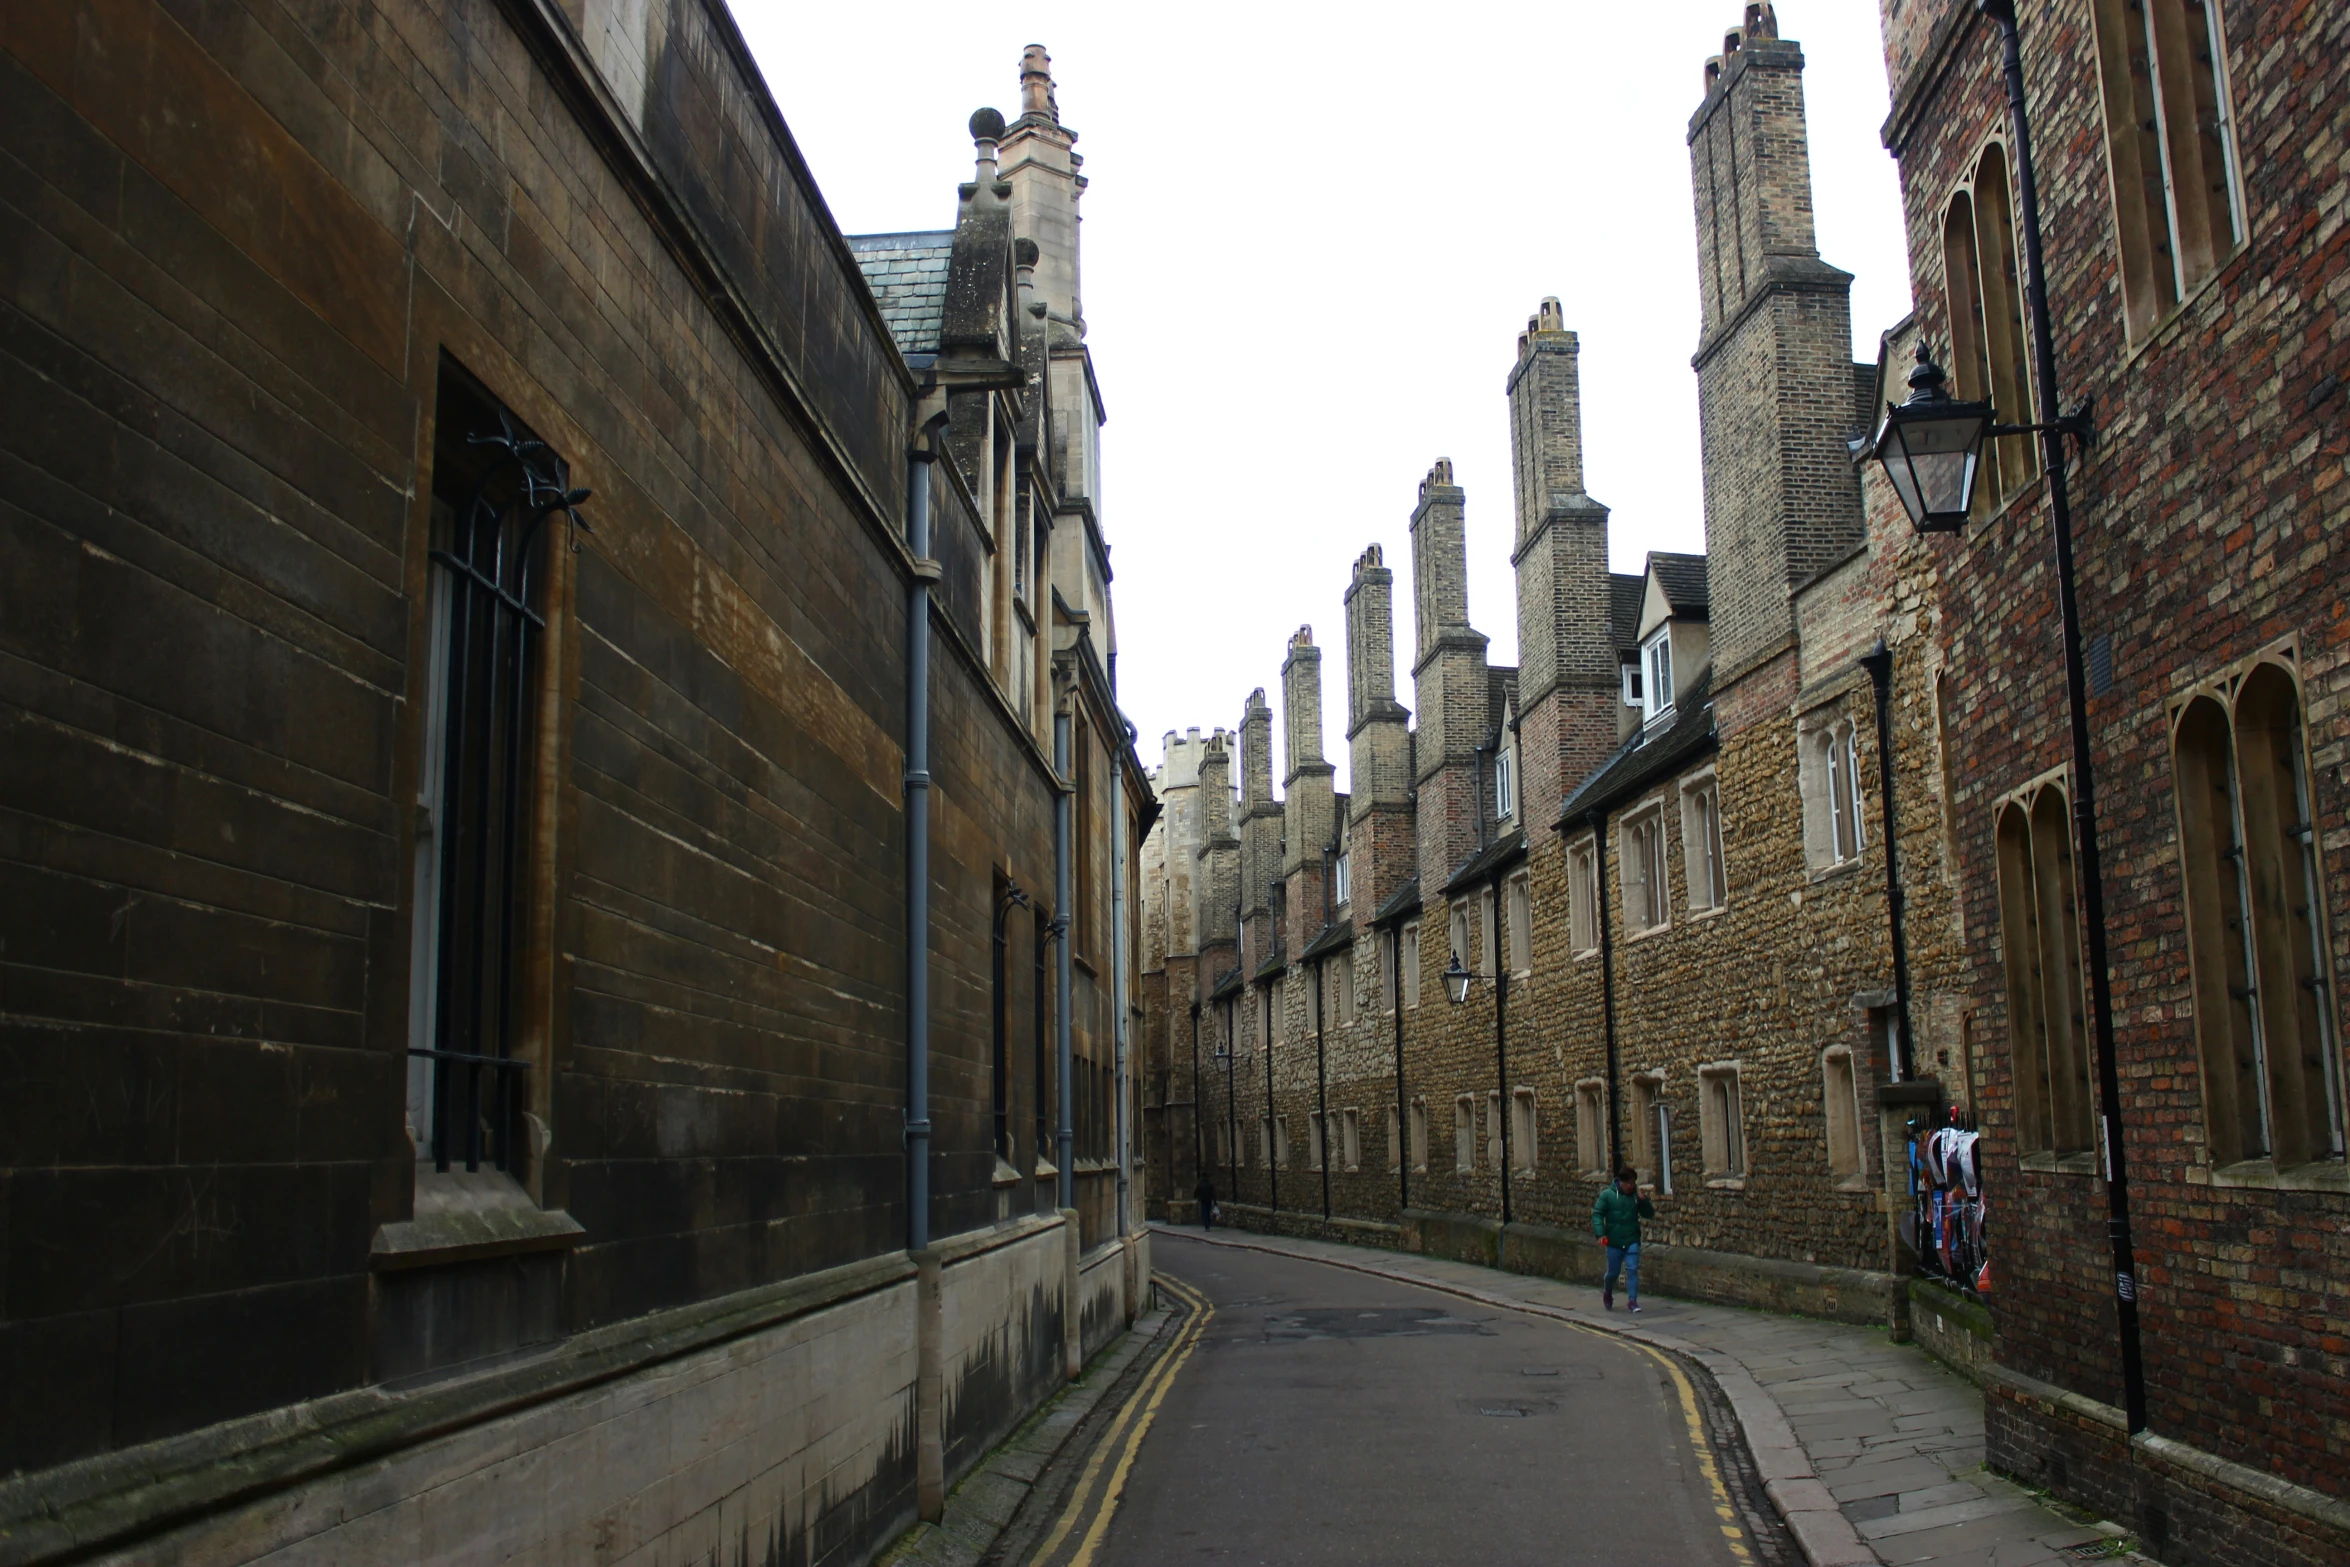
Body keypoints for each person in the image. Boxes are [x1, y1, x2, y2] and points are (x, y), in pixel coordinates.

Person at [1591, 1166, 1655, 1312]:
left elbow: (1648, 1214)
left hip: (1632, 1239)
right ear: (1620, 1182)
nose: (1630, 1187)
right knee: (1612, 1273)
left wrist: (1644, 1202)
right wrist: (1600, 1234)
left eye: (1633, 1183)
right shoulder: (1607, 1195)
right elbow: (1598, 1214)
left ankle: (1632, 1301)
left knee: (1632, 1270)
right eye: (1628, 1184)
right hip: (1614, 1241)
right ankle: (1607, 1292)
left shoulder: (1635, 1196)